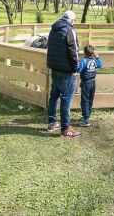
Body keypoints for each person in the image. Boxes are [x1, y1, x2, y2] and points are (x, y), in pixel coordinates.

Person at [46, 10, 81, 138]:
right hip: (66, 71)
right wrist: (76, 68)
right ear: (71, 20)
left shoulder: (53, 29)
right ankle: (66, 129)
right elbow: (74, 51)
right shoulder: (70, 31)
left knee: (54, 96)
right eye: (74, 20)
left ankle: (52, 122)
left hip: (55, 68)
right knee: (66, 99)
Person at [78, 45, 102, 127]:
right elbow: (100, 65)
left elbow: (79, 69)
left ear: (84, 53)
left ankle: (86, 119)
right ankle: (87, 115)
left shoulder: (84, 61)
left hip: (86, 83)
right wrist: (97, 56)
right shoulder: (94, 60)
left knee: (84, 100)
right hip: (93, 82)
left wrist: (78, 62)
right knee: (90, 99)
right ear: (93, 53)